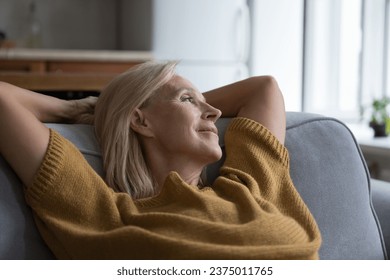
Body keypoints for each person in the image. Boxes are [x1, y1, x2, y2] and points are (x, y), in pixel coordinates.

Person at [0, 61, 321, 259]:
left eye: (205, 102)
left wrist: (183, 105)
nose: (215, 112)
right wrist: (89, 110)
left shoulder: (247, 186)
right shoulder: (104, 214)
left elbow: (263, 88)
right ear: (140, 122)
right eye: (188, 100)